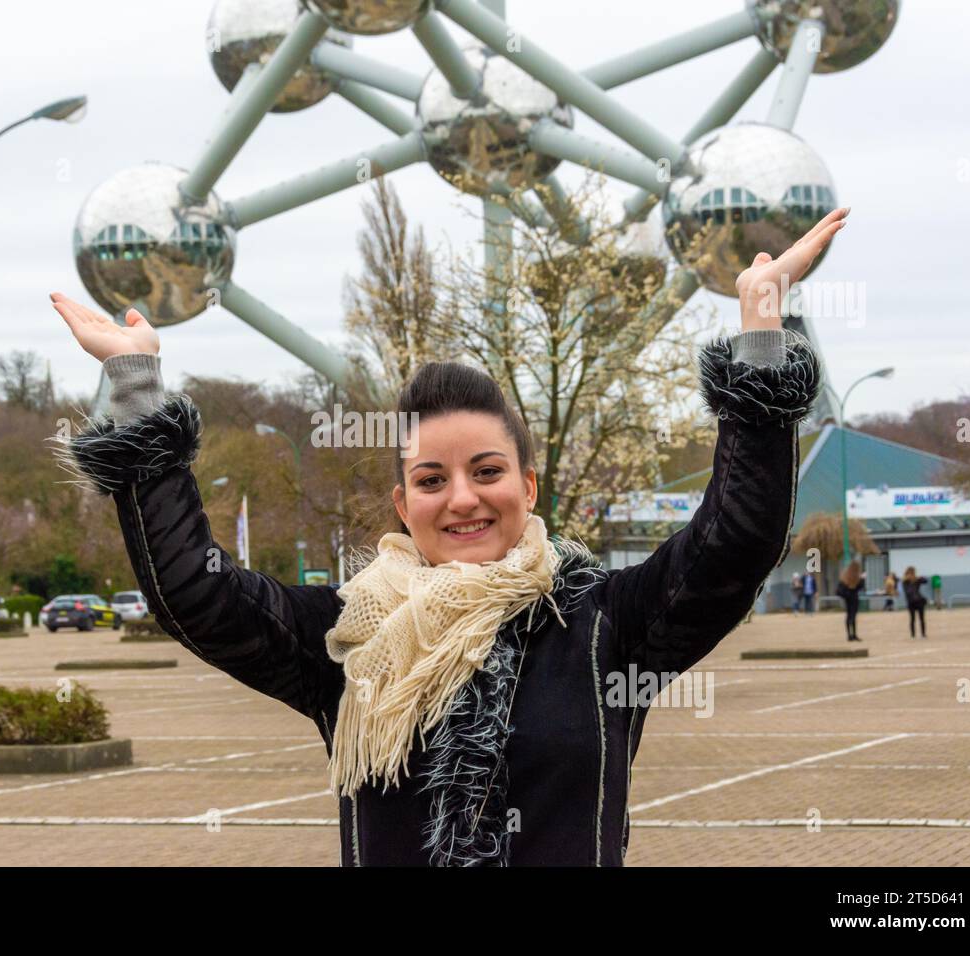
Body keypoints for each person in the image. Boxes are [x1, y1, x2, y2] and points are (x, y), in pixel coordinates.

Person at [49, 209, 843, 866]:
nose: (462, 498)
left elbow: (735, 540)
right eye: (432, 480)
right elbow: (198, 594)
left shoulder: (607, 627)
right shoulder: (347, 640)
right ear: (405, 504)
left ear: (527, 488)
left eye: (487, 471)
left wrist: (761, 334)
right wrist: (136, 385)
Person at [836, 560, 865, 641]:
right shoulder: (857, 577)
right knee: (853, 617)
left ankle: (849, 635)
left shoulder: (845, 576)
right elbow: (860, 587)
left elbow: (840, 588)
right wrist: (862, 579)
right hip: (854, 598)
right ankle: (854, 634)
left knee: (848, 616)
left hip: (847, 598)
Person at [902, 566, 929, 638]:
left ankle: (919, 634)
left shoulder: (916, 580)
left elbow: (925, 581)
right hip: (914, 601)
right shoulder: (906, 581)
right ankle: (916, 634)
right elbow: (908, 591)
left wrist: (920, 578)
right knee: (915, 619)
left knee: (918, 618)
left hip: (916, 601)